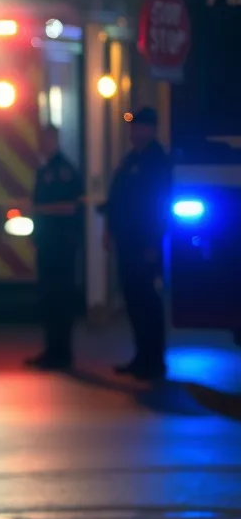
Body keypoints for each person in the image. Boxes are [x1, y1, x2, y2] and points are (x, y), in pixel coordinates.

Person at [103, 107, 172, 380]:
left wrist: (153, 243)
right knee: (133, 299)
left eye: (138, 126)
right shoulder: (131, 159)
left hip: (145, 244)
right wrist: (109, 230)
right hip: (127, 241)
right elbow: (117, 198)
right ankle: (141, 356)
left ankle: (154, 360)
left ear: (150, 129)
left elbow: (159, 205)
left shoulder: (157, 161)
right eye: (131, 127)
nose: (133, 132)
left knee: (147, 302)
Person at [26, 125, 84, 370]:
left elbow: (70, 206)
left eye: (45, 138)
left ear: (55, 139)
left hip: (61, 245)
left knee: (60, 300)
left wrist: (38, 211)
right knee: (49, 300)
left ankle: (62, 353)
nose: (41, 142)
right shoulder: (46, 169)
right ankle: (52, 351)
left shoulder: (63, 170)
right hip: (48, 244)